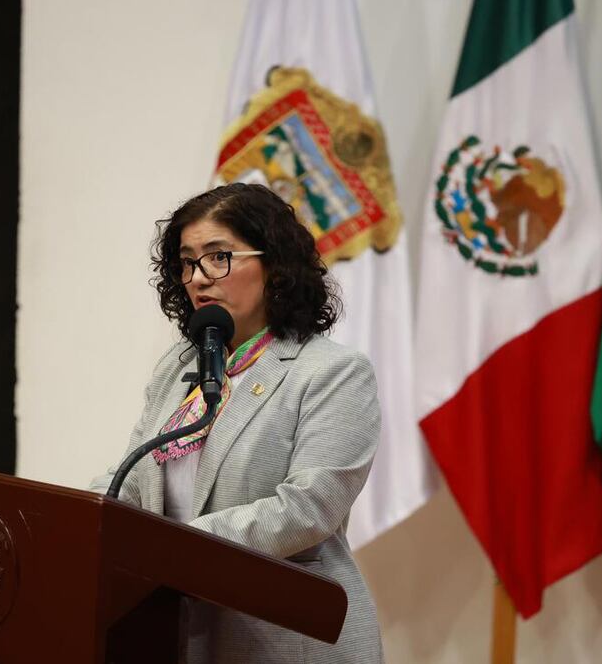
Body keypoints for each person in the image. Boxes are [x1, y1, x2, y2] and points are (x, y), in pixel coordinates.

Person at [91, 183, 383, 663]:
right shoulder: (177, 368)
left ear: (275, 266)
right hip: (175, 633)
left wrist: (171, 551)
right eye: (187, 262)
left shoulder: (332, 372)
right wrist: (83, 518)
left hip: (284, 641)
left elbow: (307, 508)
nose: (198, 278)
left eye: (218, 257)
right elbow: (134, 479)